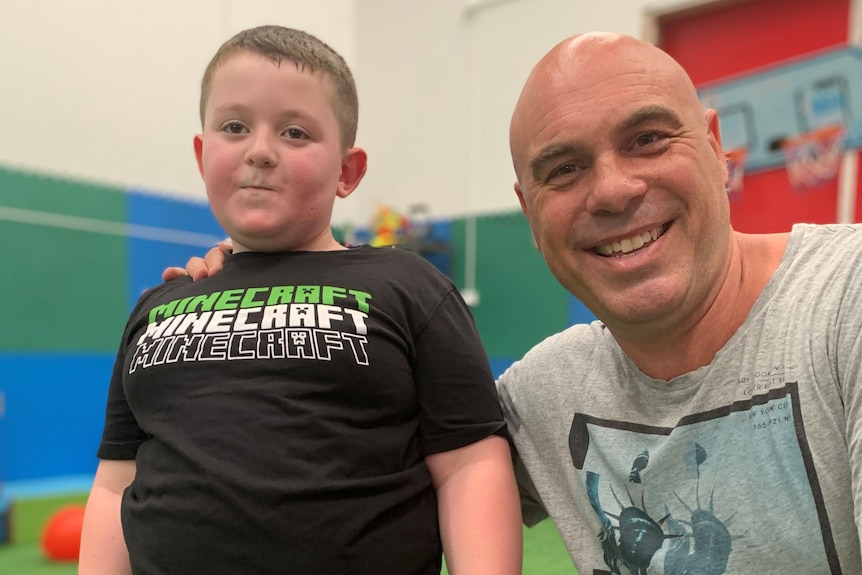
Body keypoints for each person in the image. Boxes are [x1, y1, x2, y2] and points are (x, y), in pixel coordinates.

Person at [168, 31, 862, 574]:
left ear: (716, 149)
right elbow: (352, 462)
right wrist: (249, 289)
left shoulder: (844, 301)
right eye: (565, 169)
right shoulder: (545, 394)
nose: (613, 190)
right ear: (529, 214)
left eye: (647, 139)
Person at [80, 25, 521, 575]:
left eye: (294, 132)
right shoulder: (157, 307)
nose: (260, 151)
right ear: (201, 153)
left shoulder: (408, 287)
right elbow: (116, 484)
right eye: (234, 126)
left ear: (347, 171)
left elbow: (469, 465)